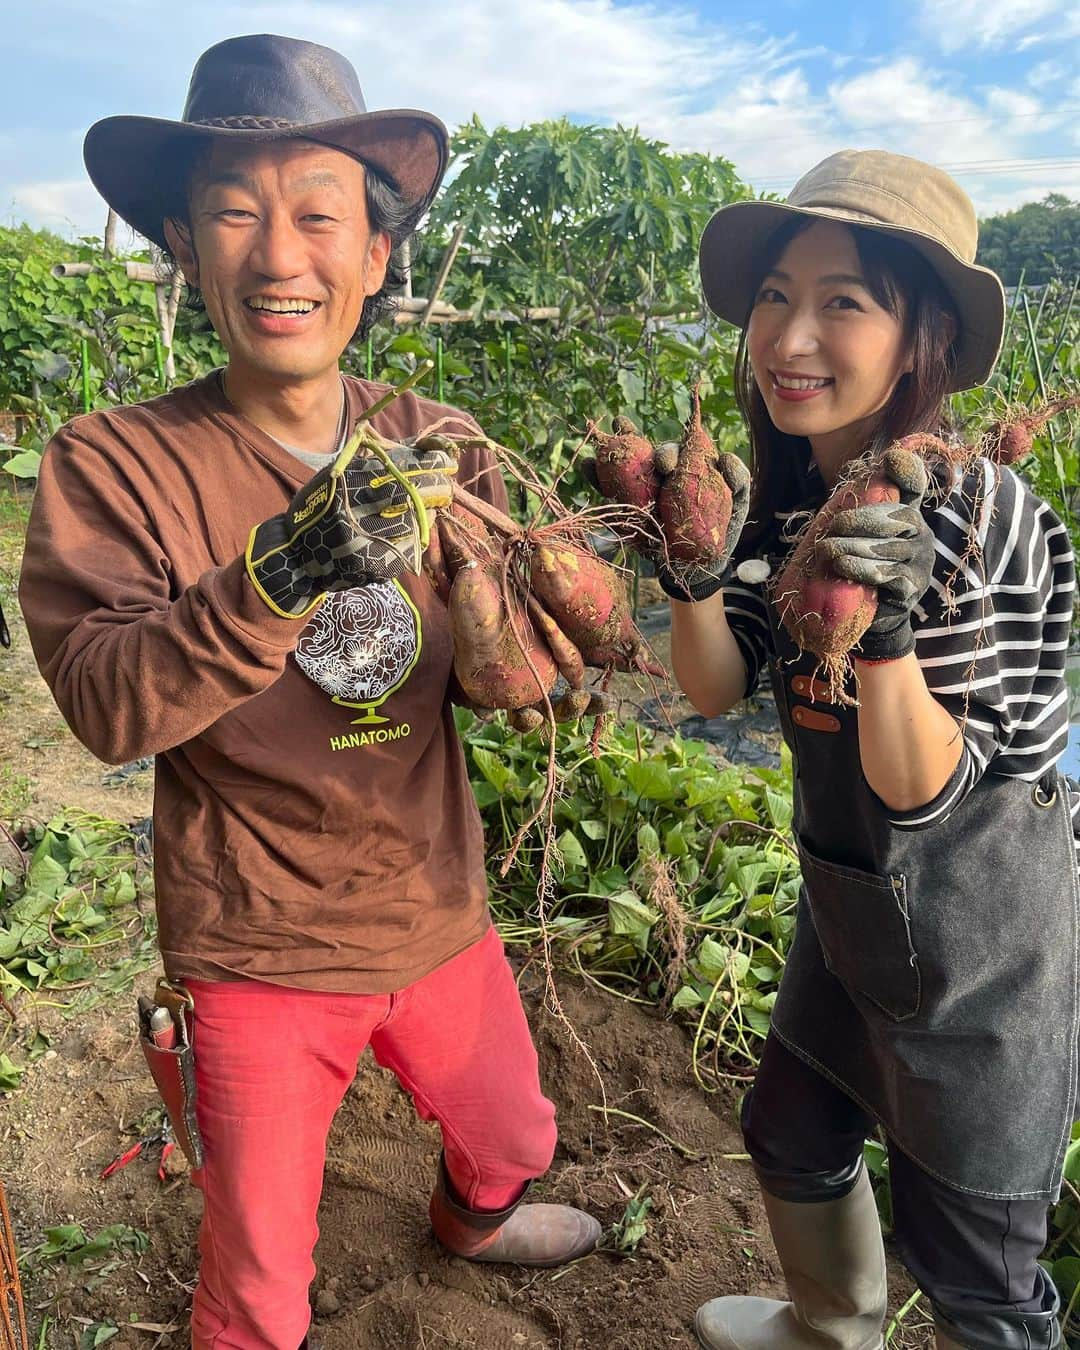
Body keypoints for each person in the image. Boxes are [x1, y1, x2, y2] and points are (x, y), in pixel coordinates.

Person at [18, 34, 599, 1350]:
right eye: (235, 211)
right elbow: (108, 703)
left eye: (318, 214)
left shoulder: (438, 444)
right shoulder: (114, 466)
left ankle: (476, 1217)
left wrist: (577, 642)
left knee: (519, 1135)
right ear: (184, 240)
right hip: (254, 946)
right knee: (260, 1294)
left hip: (434, 909)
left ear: (376, 256)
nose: (281, 254)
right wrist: (280, 569)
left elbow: (510, 654)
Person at [601, 149, 1078, 1349]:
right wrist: (696, 566)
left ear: (919, 331)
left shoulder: (980, 510)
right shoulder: (793, 488)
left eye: (841, 301)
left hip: (976, 933)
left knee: (977, 1259)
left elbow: (923, 784)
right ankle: (831, 1332)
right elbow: (712, 688)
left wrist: (891, 627)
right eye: (774, 294)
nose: (789, 334)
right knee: (792, 1129)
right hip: (852, 895)